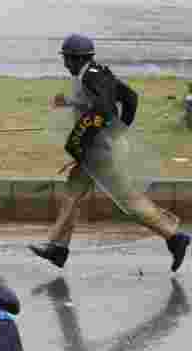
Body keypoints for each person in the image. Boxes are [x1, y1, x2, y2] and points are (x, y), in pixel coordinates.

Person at [30, 34, 191, 272]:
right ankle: (58, 247)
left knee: (130, 203)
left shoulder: (90, 78)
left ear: (75, 59)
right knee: (71, 196)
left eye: (66, 59)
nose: (65, 64)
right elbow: (128, 99)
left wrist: (90, 136)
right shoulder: (96, 73)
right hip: (92, 150)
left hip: (99, 152)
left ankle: (175, 237)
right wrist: (72, 105)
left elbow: (102, 109)